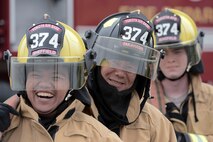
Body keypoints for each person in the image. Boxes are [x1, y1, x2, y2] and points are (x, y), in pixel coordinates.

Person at [0, 14, 122, 142]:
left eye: (56, 76)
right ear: (23, 78)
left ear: (72, 82)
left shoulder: (101, 138)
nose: (45, 84)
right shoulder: (5, 129)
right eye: (36, 74)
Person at [80, 10, 177, 142]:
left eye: (131, 65)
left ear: (141, 75)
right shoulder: (71, 112)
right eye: (114, 59)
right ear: (96, 62)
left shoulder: (157, 125)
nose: (120, 72)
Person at [149, 8, 213, 141]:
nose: (171, 59)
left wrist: (186, 139)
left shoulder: (211, 98)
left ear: (190, 54)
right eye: (163, 53)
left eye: (177, 51)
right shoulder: (142, 102)